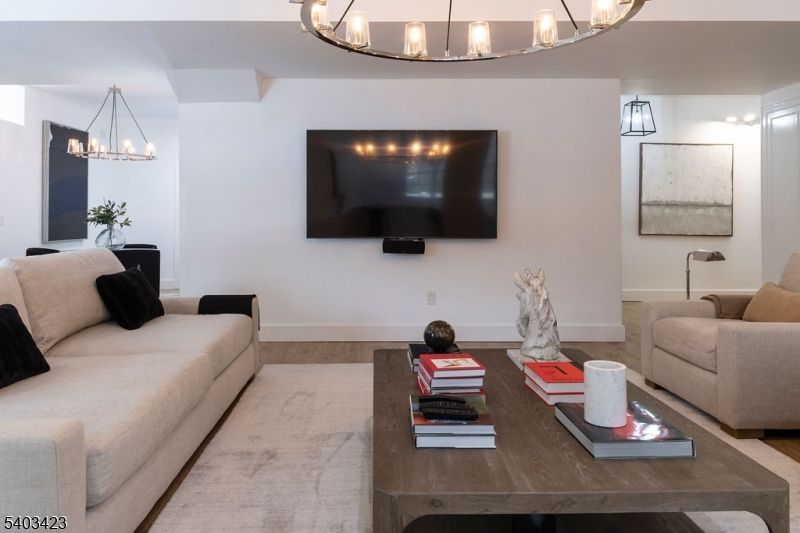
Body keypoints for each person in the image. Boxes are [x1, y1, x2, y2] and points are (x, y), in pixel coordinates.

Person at [514, 268, 561, 360]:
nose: (535, 282)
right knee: (537, 330)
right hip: (541, 325)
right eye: (533, 279)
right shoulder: (540, 292)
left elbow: (525, 313)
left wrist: (521, 321)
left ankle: (540, 347)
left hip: (542, 326)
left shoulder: (536, 293)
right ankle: (544, 346)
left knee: (537, 334)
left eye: (537, 279)